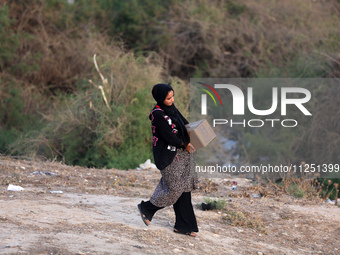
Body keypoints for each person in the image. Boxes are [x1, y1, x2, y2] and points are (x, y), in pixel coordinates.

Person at [137, 83, 199, 237]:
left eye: (172, 97)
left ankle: (183, 225)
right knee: (174, 189)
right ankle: (147, 208)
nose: (171, 100)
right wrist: (185, 144)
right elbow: (168, 136)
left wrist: (196, 135)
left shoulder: (171, 108)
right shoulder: (157, 114)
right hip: (168, 156)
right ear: (160, 98)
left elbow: (184, 123)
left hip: (182, 154)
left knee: (185, 188)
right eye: (168, 98)